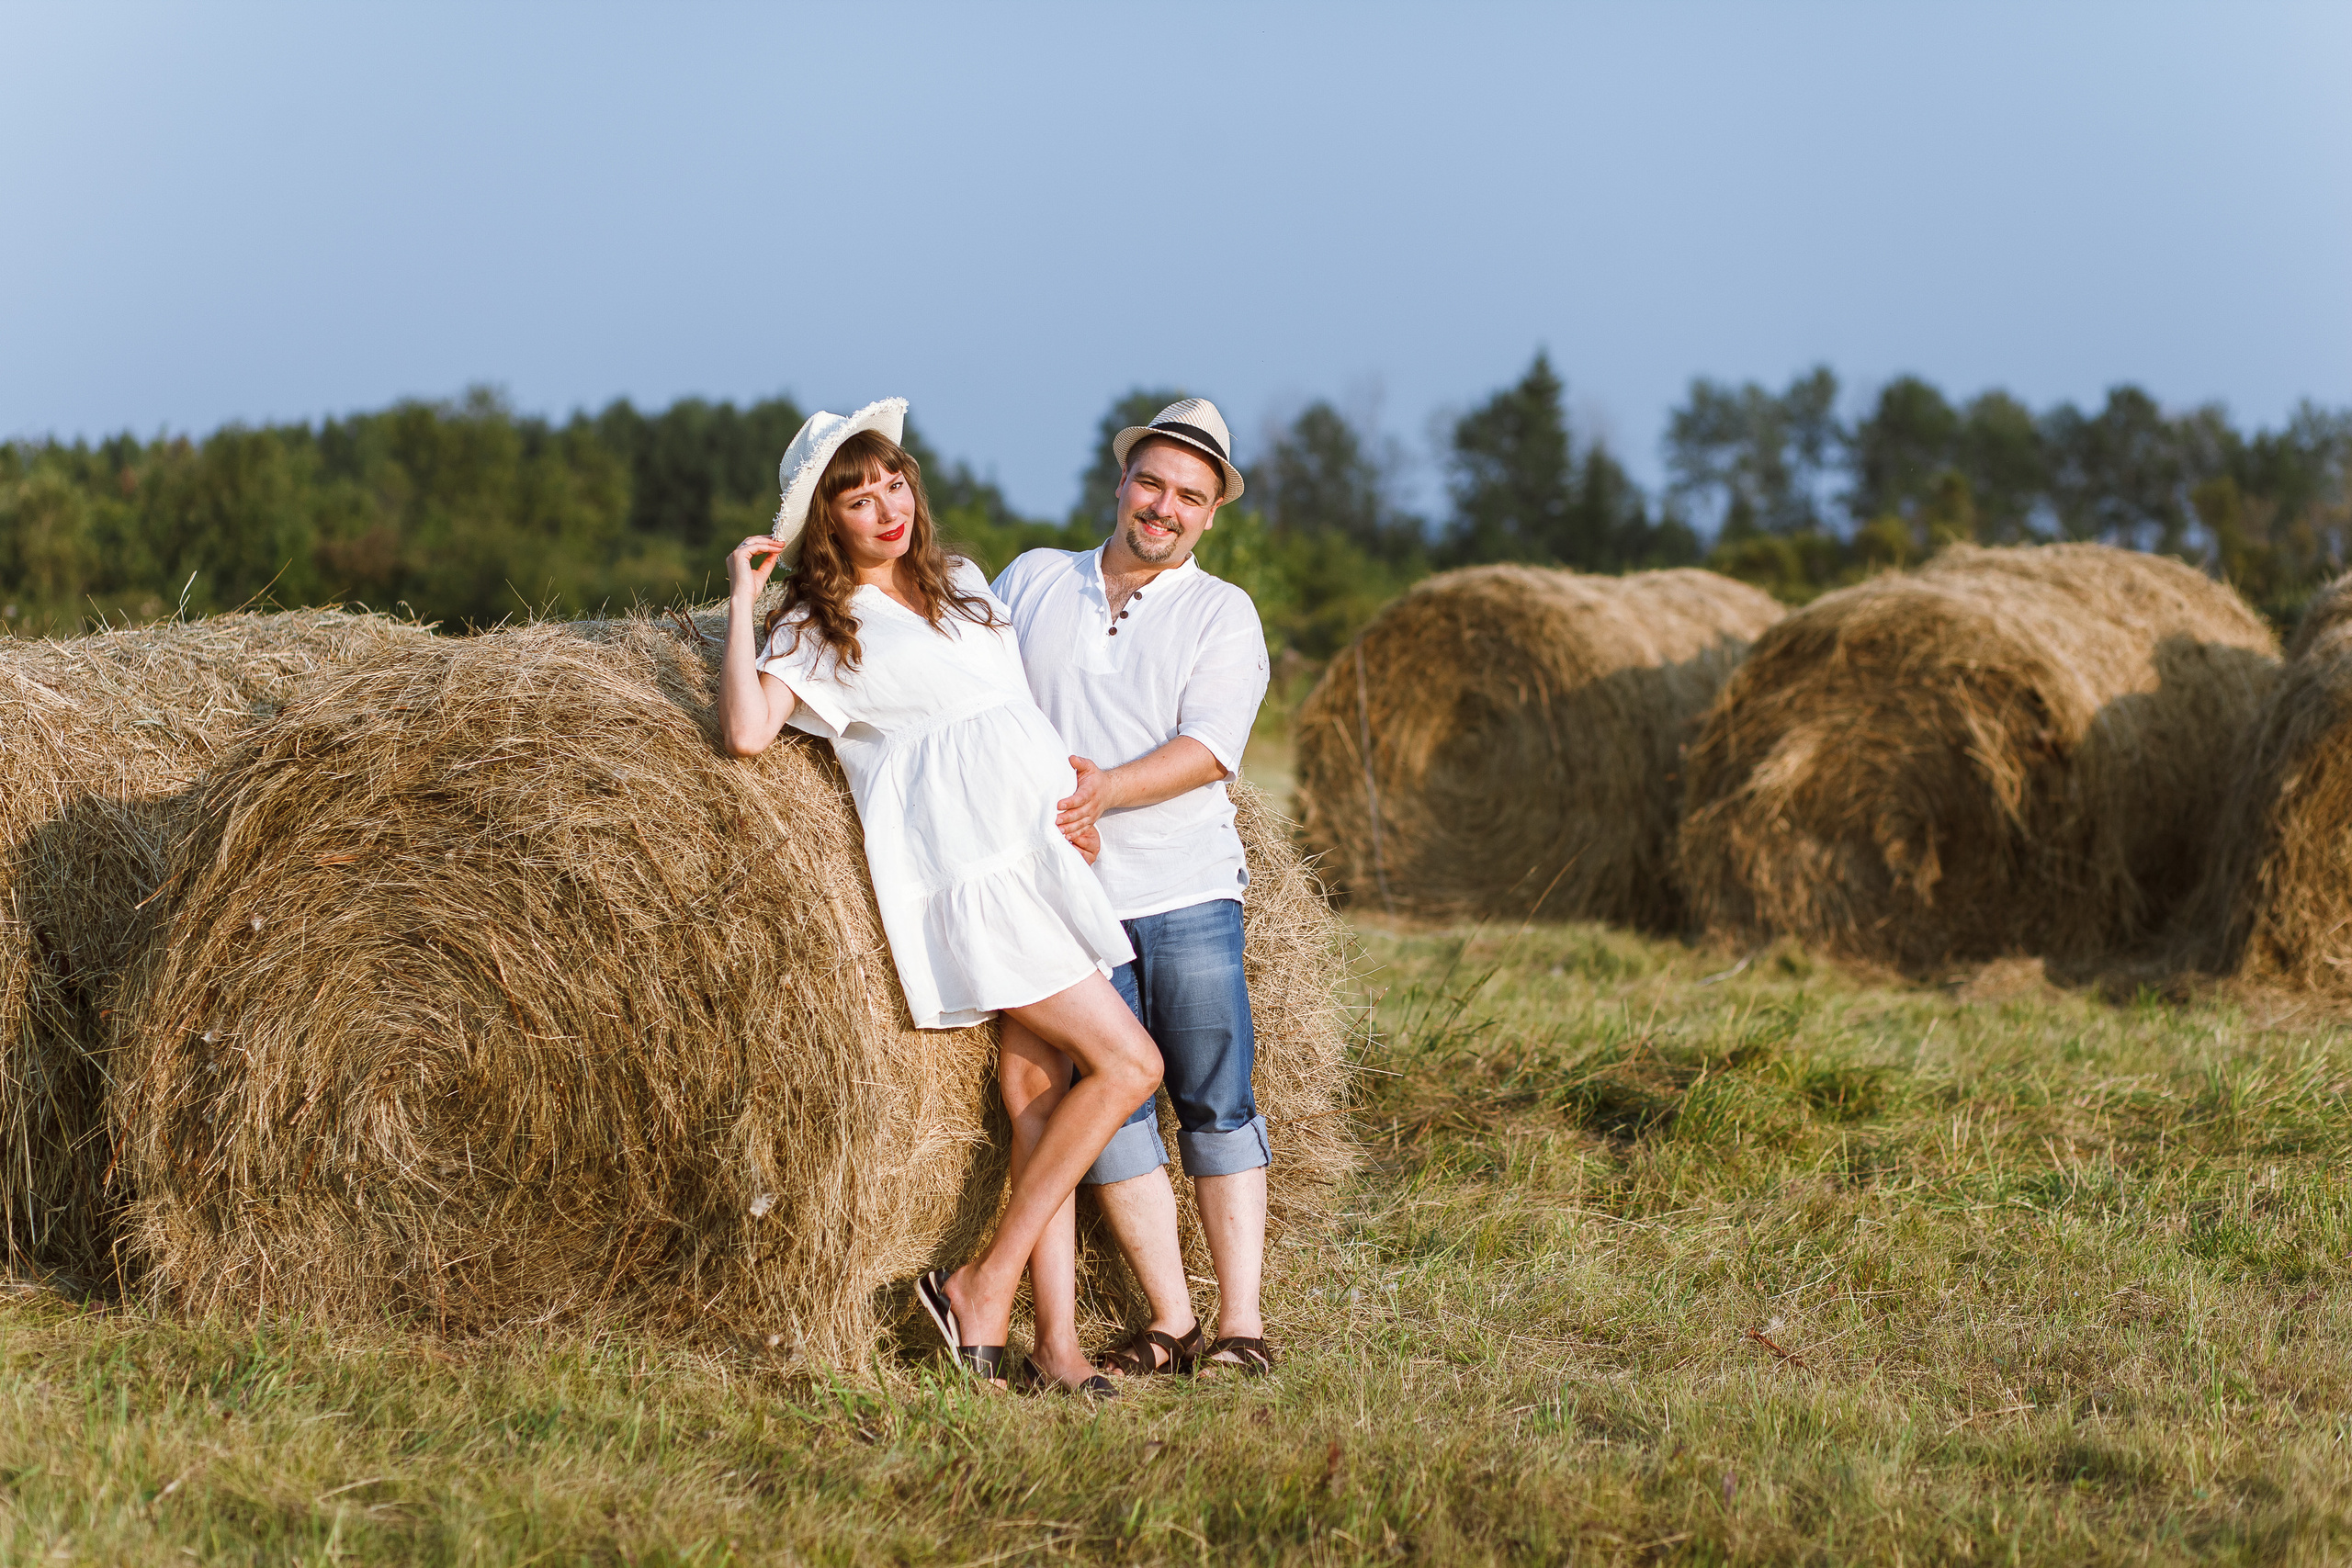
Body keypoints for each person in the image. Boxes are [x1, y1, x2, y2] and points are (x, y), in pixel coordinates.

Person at [716, 398, 1158, 1394]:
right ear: (825, 522)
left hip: (1038, 862)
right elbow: (745, 734)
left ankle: (1056, 1348)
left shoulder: (962, 584)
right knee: (1132, 1062)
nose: (886, 509)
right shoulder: (819, 627)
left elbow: (1009, 713)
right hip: (972, 879)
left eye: (893, 484)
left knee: (1038, 1104)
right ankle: (979, 1286)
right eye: (857, 499)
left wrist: (1072, 807)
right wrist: (744, 599)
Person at [991, 397, 1277, 1377]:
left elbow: (1211, 747)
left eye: (1188, 496)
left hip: (1186, 885)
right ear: (1120, 484)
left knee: (1214, 1097)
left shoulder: (1221, 611)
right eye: (1150, 483)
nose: (1164, 507)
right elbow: (969, 679)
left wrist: (1104, 790)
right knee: (1110, 1110)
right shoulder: (1035, 579)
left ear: (1211, 513)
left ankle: (1242, 1324)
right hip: (1069, 900)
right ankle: (1170, 1321)